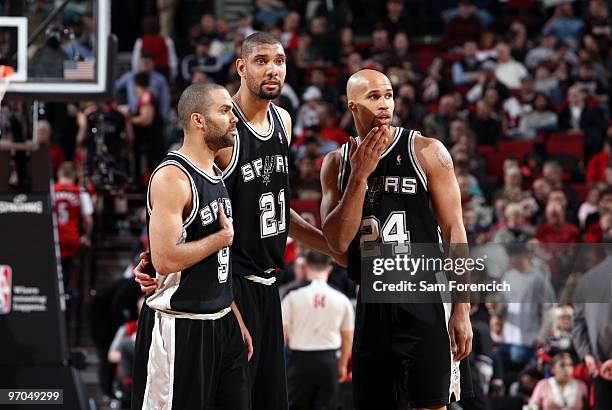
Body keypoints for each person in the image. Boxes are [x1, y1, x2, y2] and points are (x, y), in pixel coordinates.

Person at [134, 32, 345, 410]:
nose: (273, 70)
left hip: (268, 285)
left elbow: (278, 211)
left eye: (279, 61)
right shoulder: (221, 133)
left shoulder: (283, 120)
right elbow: (186, 203)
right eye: (262, 61)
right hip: (228, 288)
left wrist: (331, 248)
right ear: (241, 67)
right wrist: (154, 260)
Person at [320, 69, 473, 409]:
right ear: (353, 106)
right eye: (374, 97)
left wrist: (462, 307)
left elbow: (454, 231)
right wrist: (360, 177)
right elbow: (338, 243)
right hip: (371, 303)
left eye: (388, 95)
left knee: (432, 405)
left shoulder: (427, 150)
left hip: (422, 298)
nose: (385, 104)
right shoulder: (336, 164)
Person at [132, 83, 252, 409]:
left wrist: (233, 315)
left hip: (221, 320)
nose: (234, 118)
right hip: (181, 324)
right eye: (225, 110)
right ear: (198, 120)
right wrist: (220, 239)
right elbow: (166, 259)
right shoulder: (173, 177)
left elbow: (218, 262)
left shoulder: (214, 172)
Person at [281, 251, 354, 410]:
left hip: (299, 362)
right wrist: (342, 365)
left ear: (305, 267)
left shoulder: (292, 295)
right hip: (328, 362)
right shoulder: (342, 298)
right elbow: (348, 336)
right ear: (329, 268)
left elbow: (282, 334)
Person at [53, 161, 93, 292]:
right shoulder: (80, 192)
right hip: (71, 241)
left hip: (53, 239)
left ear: (59, 174)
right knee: (67, 279)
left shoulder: (50, 191)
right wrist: (85, 237)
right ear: (74, 176)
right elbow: (88, 220)